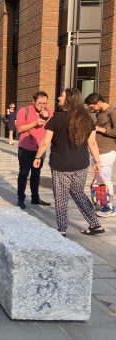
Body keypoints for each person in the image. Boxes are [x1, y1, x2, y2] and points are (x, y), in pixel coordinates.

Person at [33, 88, 105, 237]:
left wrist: (37, 157)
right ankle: (95, 224)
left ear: (69, 100)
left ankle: (62, 229)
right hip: (81, 164)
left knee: (61, 197)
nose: (59, 97)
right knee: (78, 192)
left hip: (61, 165)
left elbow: (46, 142)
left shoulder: (57, 118)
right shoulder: (87, 118)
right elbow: (92, 143)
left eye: (62, 96)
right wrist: (97, 161)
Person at [15, 91, 53, 209]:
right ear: (33, 101)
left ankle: (35, 198)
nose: (42, 105)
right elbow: (20, 128)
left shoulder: (48, 111)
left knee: (36, 174)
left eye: (44, 103)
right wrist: (35, 123)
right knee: (24, 173)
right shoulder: (24, 111)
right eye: (40, 103)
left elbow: (52, 127)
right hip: (26, 148)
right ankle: (21, 198)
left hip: (40, 149)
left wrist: (47, 118)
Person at [84, 93, 116, 217]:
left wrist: (98, 129)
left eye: (92, 106)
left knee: (105, 179)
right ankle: (102, 203)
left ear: (99, 103)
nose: (91, 109)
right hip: (98, 151)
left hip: (107, 151)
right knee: (99, 179)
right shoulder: (100, 113)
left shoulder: (112, 112)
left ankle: (108, 207)